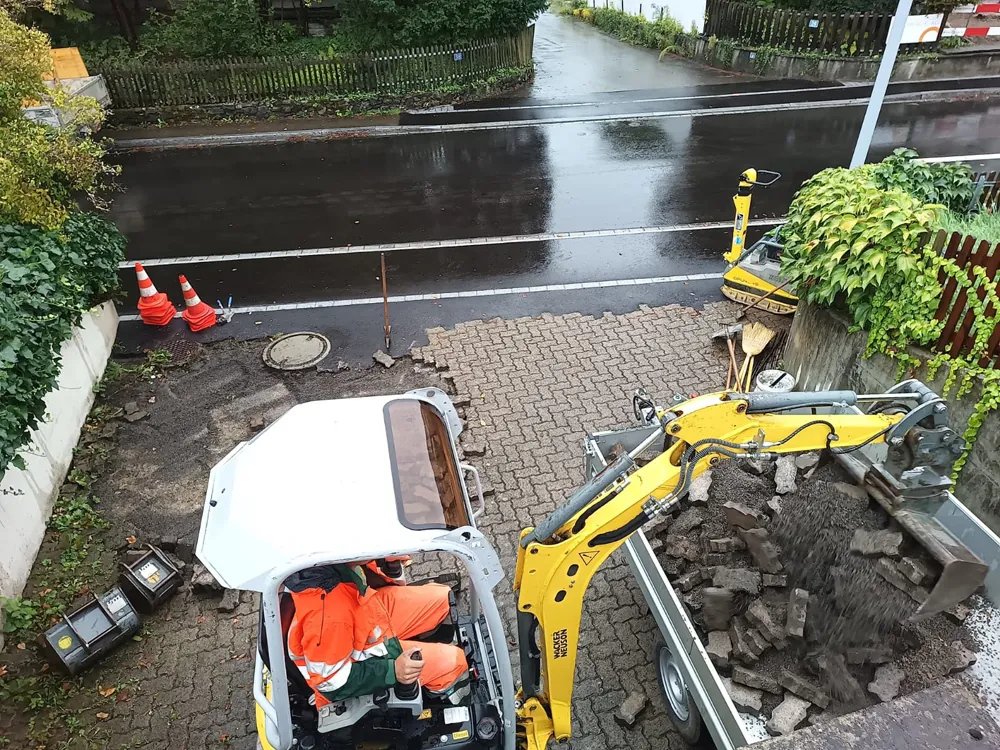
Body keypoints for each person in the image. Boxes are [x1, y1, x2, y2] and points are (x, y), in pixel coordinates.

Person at [285, 562, 469, 708]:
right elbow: (330, 682)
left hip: (363, 611)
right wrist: (392, 671)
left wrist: (390, 560)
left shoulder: (344, 560)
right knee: (454, 661)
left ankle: (435, 650)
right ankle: (451, 705)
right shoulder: (329, 615)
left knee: (442, 598)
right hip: (357, 670)